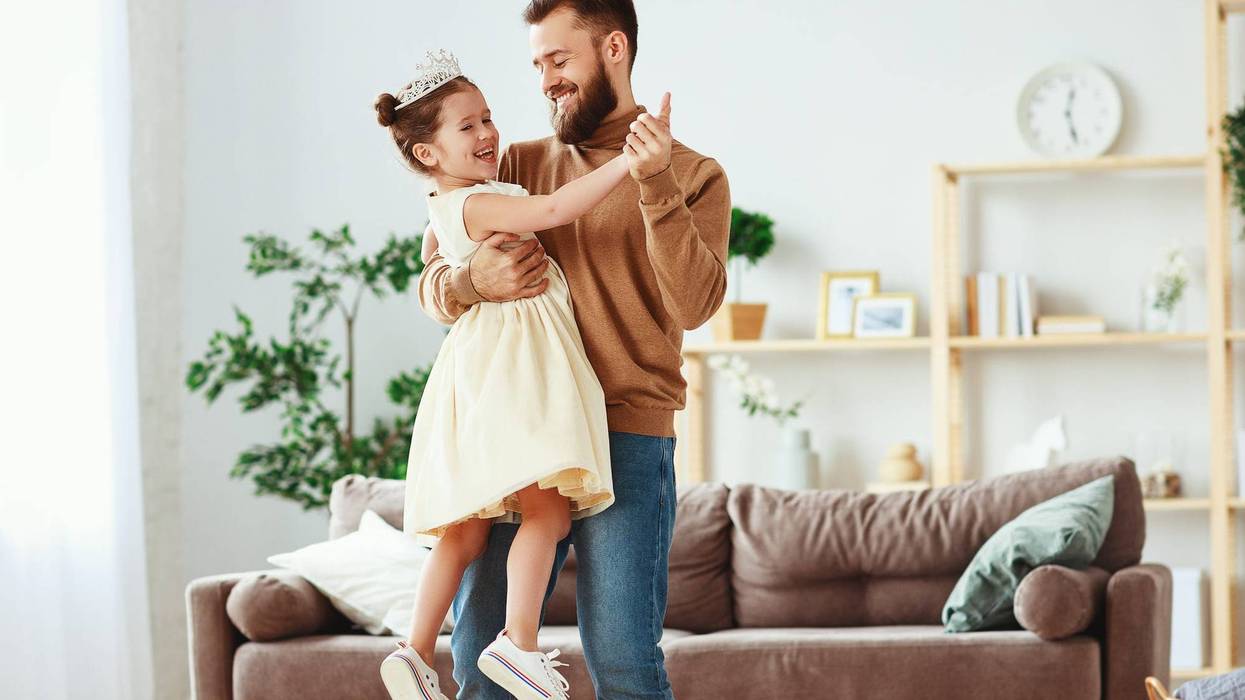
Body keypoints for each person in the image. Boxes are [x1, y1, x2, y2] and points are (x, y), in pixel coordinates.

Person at [417, 2, 731, 697]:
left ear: (612, 48)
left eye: (558, 61)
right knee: (479, 657)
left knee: (621, 659)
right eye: (536, 66)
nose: (545, 81)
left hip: (625, 431)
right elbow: (432, 283)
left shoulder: (693, 174)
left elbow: (694, 304)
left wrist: (651, 184)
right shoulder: (517, 164)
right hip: (518, 427)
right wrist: (469, 281)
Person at [372, 49, 641, 700]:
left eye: (487, 117)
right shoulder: (482, 202)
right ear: (429, 154)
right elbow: (551, 214)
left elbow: (432, 281)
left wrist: (455, 278)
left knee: (464, 532)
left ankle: (412, 650)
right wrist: (627, 163)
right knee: (546, 514)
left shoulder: (442, 210)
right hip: (517, 370)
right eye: (466, 126)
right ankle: (518, 644)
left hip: (475, 376)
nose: (487, 132)